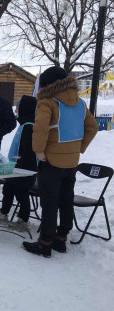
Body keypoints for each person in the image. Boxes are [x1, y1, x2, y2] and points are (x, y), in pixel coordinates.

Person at [23, 67, 98, 257]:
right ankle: (61, 239)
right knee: (66, 200)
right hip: (72, 161)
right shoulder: (80, 102)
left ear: (48, 84)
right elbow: (93, 127)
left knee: (49, 201)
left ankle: (45, 242)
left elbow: (40, 129)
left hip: (52, 160)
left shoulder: (47, 102)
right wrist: (80, 148)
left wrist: (39, 151)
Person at [0, 95, 38, 230]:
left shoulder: (29, 126)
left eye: (19, 108)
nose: (16, 111)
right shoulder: (24, 125)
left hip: (25, 169)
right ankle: (3, 212)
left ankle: (23, 220)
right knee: (8, 188)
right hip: (16, 167)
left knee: (21, 193)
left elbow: (28, 150)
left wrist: (20, 164)